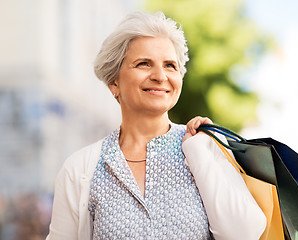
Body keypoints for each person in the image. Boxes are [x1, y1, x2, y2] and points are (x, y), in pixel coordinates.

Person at [46, 11, 266, 240]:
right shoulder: (79, 169)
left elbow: (245, 235)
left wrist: (198, 153)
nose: (160, 76)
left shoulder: (204, 146)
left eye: (170, 65)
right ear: (114, 82)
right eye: (144, 64)